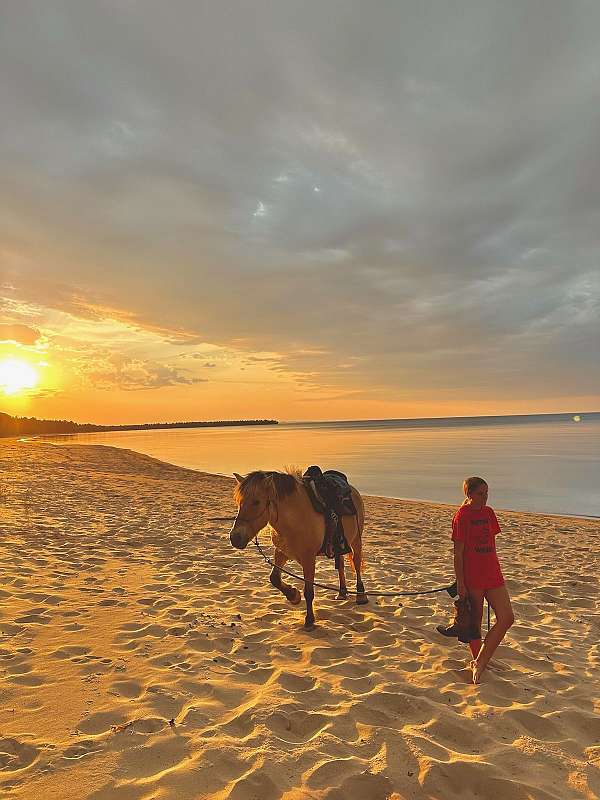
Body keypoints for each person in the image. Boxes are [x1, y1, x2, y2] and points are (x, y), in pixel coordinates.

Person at [451, 476, 514, 684]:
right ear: (469, 495)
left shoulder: (489, 513)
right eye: (480, 494)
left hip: (493, 573)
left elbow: (492, 545)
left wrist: (495, 567)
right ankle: (478, 660)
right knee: (474, 623)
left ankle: (481, 660)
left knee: (506, 618)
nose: (485, 498)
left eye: (487, 493)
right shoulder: (462, 516)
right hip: (473, 576)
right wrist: (461, 583)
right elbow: (458, 553)